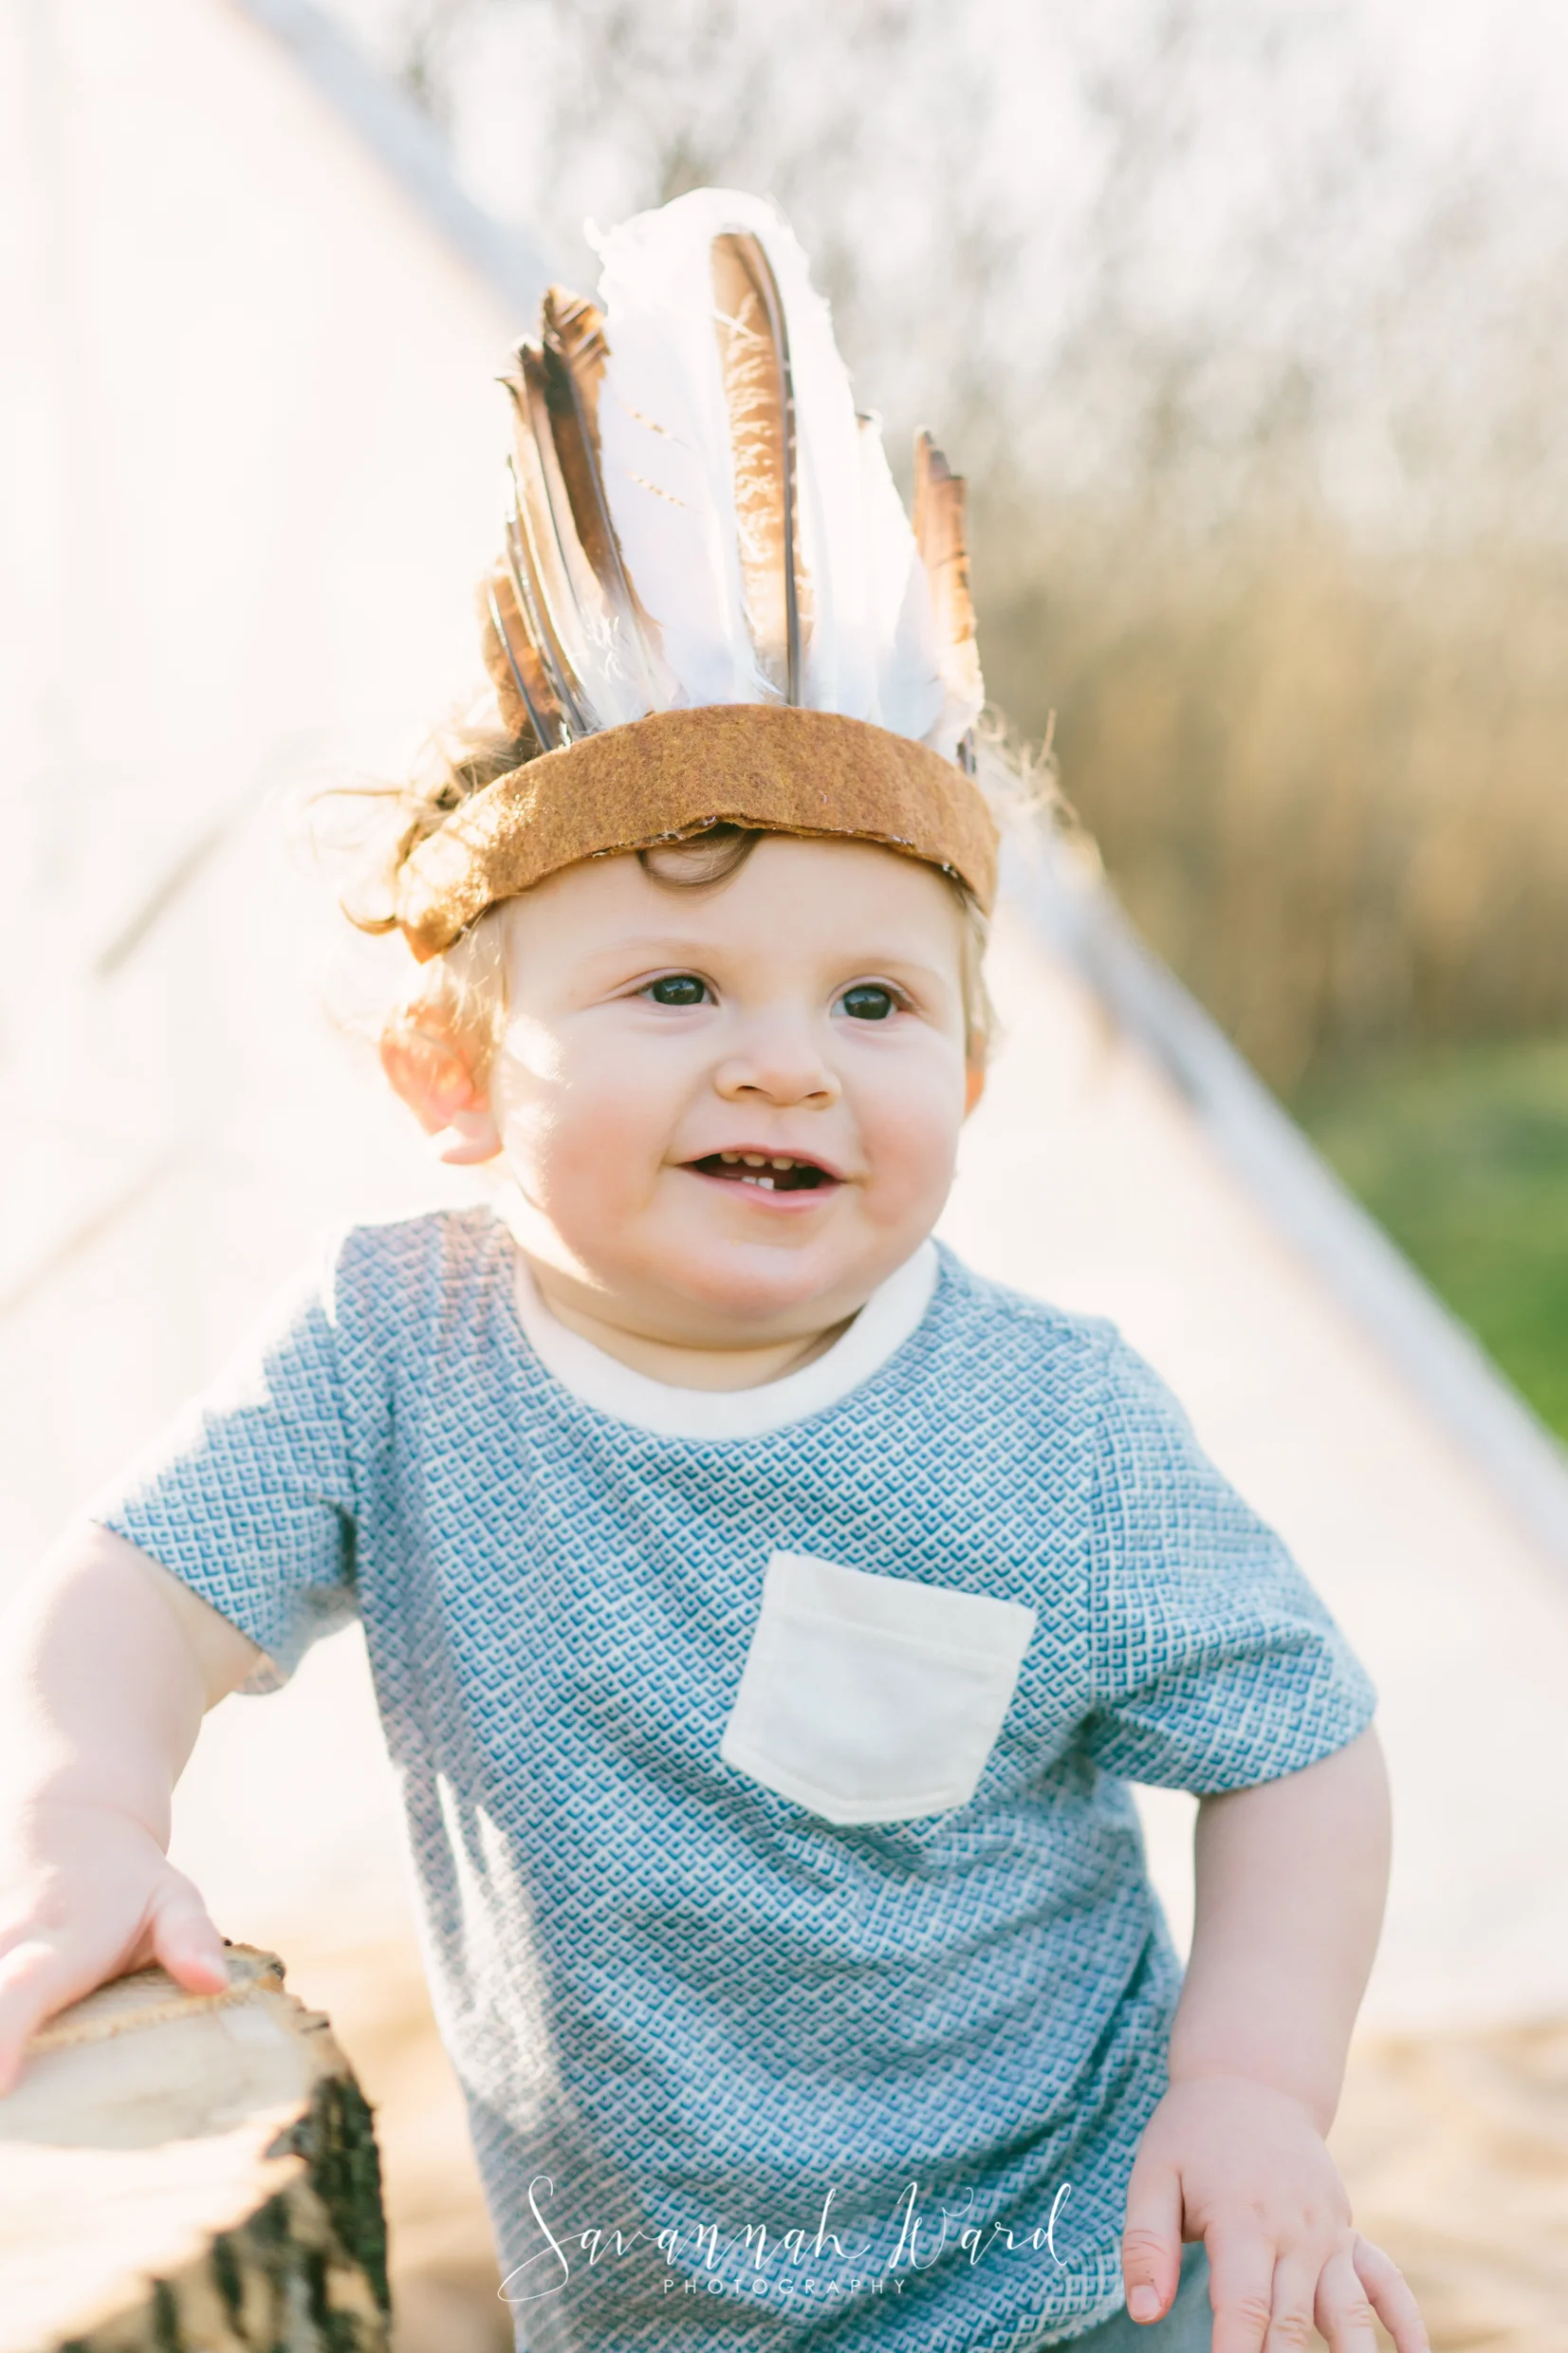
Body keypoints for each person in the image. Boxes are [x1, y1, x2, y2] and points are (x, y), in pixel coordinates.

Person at [0, 188, 1425, 2353]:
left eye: (876, 1004)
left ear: (970, 1062)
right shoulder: (397, 1349)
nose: (789, 1057)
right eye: (676, 984)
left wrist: (1252, 2087)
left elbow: (1299, 1742)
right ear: (452, 1069)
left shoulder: (1050, 1420)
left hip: (1089, 2276)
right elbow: (137, 1593)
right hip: (655, 2314)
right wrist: (91, 1806)